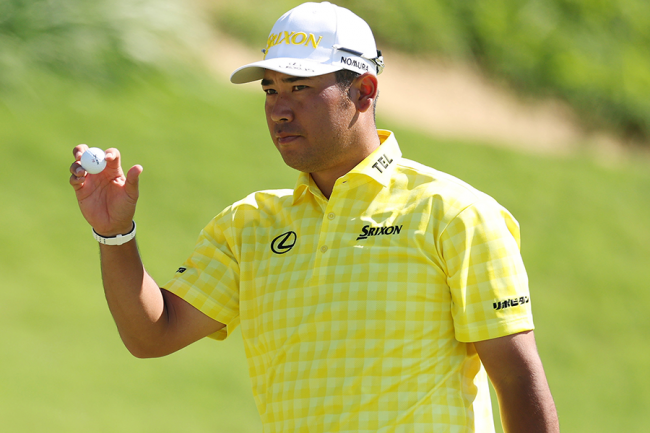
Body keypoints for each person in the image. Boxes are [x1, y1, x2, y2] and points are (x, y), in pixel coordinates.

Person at [69, 2, 559, 432]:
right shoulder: (249, 225)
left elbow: (516, 376)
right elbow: (152, 335)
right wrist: (115, 235)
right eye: (270, 90)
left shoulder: (454, 213)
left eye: (300, 87)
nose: (279, 110)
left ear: (364, 91)